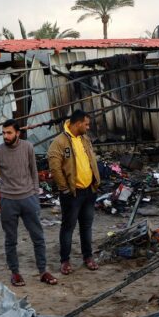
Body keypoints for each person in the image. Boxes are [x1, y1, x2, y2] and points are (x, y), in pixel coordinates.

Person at [0, 119, 58, 287]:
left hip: (28, 200)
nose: (5, 136)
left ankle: (43, 271)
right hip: (8, 201)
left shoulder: (28, 147)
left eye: (9, 132)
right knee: (11, 240)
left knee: (38, 237)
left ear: (18, 133)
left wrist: (34, 194)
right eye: (3, 133)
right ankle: (15, 273)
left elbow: (34, 171)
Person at [48, 110, 101, 275]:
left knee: (86, 226)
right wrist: (64, 188)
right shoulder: (59, 142)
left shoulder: (85, 139)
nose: (88, 127)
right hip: (72, 194)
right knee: (68, 227)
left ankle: (88, 257)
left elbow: (91, 160)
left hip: (89, 191)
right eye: (86, 124)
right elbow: (55, 167)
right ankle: (65, 261)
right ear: (78, 124)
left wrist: (95, 182)